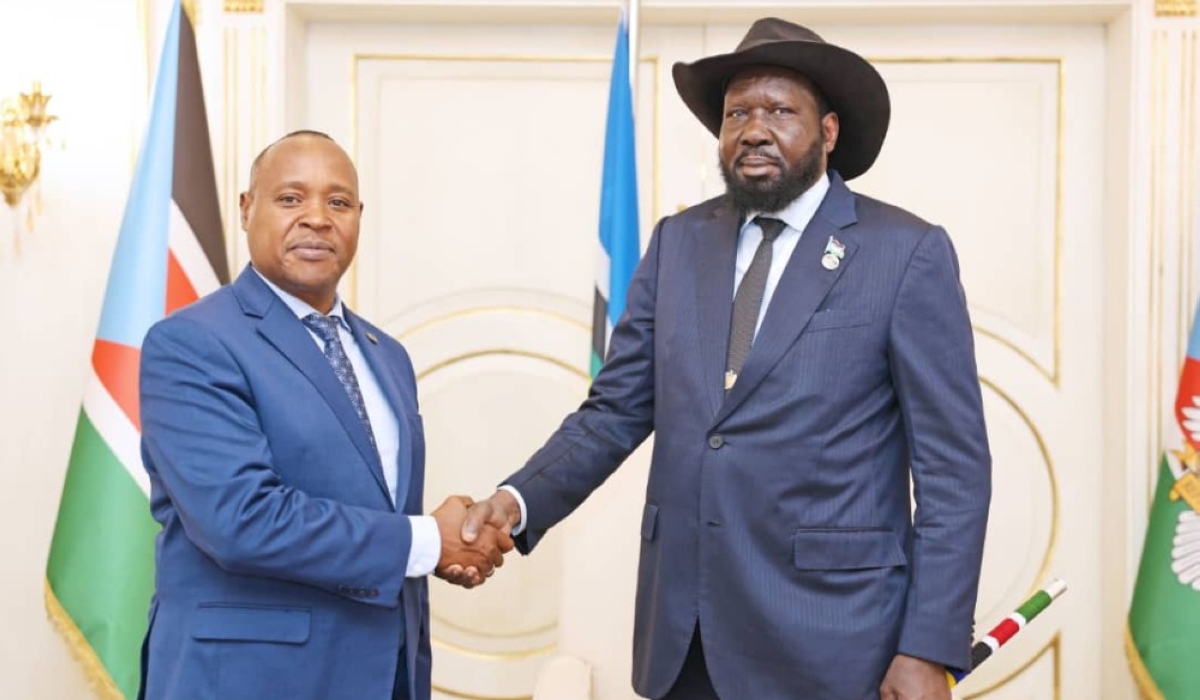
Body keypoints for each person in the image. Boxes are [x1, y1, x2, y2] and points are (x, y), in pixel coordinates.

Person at [457, 18, 991, 700]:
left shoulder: (904, 252)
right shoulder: (678, 242)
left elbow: (954, 470)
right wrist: (516, 501)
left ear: (827, 132)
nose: (753, 129)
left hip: (836, 642)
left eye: (779, 111)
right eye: (737, 112)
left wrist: (927, 646)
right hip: (686, 639)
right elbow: (614, 411)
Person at [136, 130, 512, 700]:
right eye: (291, 199)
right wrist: (428, 541)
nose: (316, 218)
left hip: (381, 674)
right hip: (245, 681)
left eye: (338, 202)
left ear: (359, 217)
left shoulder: (388, 355)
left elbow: (374, 508)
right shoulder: (191, 342)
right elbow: (241, 520)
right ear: (246, 208)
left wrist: (441, 545)